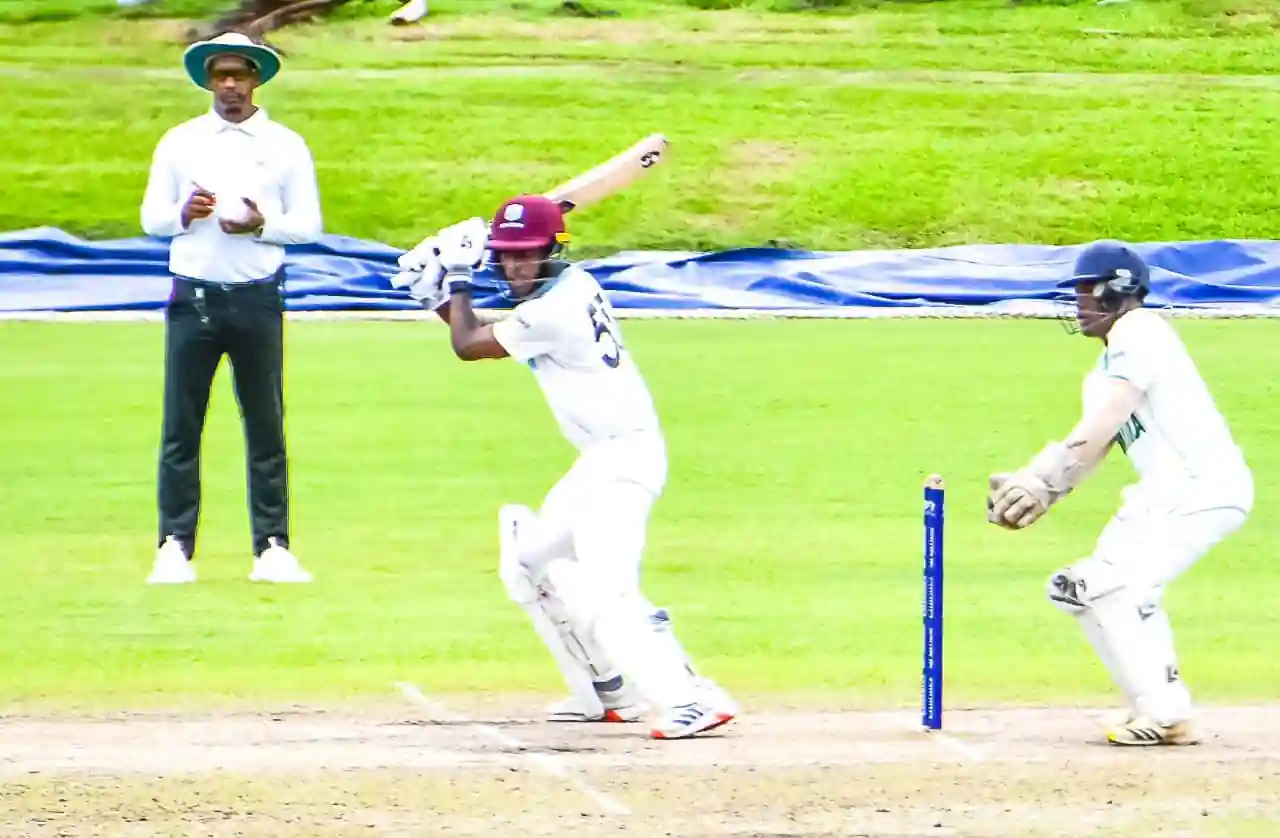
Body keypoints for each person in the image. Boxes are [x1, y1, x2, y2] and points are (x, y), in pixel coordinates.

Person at [391, 196, 737, 739]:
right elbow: (487, 335)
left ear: (554, 250)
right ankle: (608, 691)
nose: (515, 268)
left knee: (607, 588)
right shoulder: (565, 290)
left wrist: (452, 277)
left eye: (527, 256)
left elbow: (468, 345)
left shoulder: (555, 309)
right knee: (526, 560)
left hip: (626, 461)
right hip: (600, 460)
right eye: (505, 257)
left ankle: (690, 698)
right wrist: (435, 292)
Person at [987, 240, 1253, 746]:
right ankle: (1158, 708)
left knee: (1113, 588)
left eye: (1086, 292)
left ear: (1117, 291)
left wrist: (1040, 476)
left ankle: (1165, 712)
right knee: (1077, 589)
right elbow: (1099, 440)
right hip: (1165, 493)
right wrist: (1041, 488)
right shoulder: (1106, 365)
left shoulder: (1140, 331)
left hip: (1198, 487)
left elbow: (1104, 419)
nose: (1079, 304)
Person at [140, 32, 322, 585]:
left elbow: (309, 226)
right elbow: (151, 218)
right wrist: (184, 214)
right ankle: (174, 545)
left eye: (238, 75)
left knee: (265, 424)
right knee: (181, 426)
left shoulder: (285, 145)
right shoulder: (181, 142)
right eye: (220, 75)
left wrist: (261, 225)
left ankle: (272, 548)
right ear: (208, 81)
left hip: (256, 297)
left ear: (255, 80)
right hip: (193, 297)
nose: (229, 85)